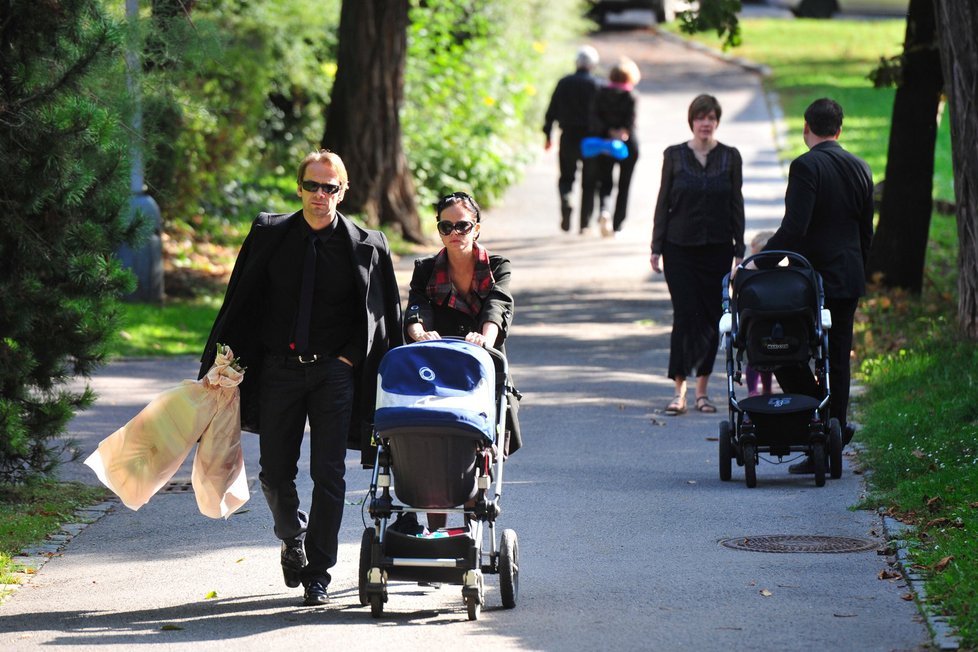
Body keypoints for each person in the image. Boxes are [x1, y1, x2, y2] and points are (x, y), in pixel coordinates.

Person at [198, 149, 402, 606]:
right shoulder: (270, 234)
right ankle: (292, 536)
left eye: (330, 187)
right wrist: (225, 360)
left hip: (334, 373)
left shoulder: (366, 245)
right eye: (312, 185)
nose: (320, 195)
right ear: (299, 187)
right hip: (279, 372)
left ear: (343, 191)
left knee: (329, 475)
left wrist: (350, 359)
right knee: (274, 474)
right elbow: (241, 301)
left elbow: (381, 316)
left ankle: (319, 574)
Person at [759, 98, 874, 474]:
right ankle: (834, 431)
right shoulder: (861, 167)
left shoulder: (806, 165)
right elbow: (864, 232)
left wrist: (761, 262)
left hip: (812, 281)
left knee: (783, 349)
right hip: (849, 277)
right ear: (839, 130)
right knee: (838, 357)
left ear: (807, 128)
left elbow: (796, 228)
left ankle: (817, 417)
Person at [404, 191, 520, 530]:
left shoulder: (497, 266)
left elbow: (498, 306)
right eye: (446, 226)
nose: (456, 233)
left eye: (463, 226)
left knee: (472, 448)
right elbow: (415, 309)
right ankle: (437, 532)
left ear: (477, 228)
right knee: (431, 448)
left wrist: (484, 339)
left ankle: (466, 533)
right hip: (436, 370)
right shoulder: (426, 269)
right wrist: (418, 332)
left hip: (479, 370)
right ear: (439, 230)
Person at [650, 94, 745, 416]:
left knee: (711, 320)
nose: (706, 123)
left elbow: (736, 205)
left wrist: (740, 251)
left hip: (718, 249)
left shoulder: (730, 157)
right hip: (679, 249)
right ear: (692, 121)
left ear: (717, 121)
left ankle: (702, 392)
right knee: (685, 315)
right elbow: (663, 202)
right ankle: (679, 391)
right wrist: (656, 246)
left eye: (711, 118)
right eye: (700, 117)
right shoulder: (674, 156)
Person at [543, 45, 602, 233]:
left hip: (567, 136)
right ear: (593, 65)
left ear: (576, 62)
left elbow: (551, 110)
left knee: (566, 178)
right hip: (591, 140)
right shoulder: (597, 85)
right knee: (589, 182)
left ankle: (567, 200)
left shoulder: (564, 83)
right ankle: (585, 224)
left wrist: (548, 134)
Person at [582, 56, 641, 238]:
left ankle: (604, 211)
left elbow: (594, 118)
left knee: (605, 182)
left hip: (604, 143)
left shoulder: (600, 92)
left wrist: (608, 131)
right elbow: (631, 122)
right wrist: (620, 132)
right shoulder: (631, 95)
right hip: (626, 145)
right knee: (624, 185)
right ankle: (617, 225)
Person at [744, 230, 775, 397]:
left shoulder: (750, 278)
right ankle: (760, 390)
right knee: (765, 360)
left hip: (756, 325)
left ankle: (755, 391)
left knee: (755, 360)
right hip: (774, 326)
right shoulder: (782, 276)